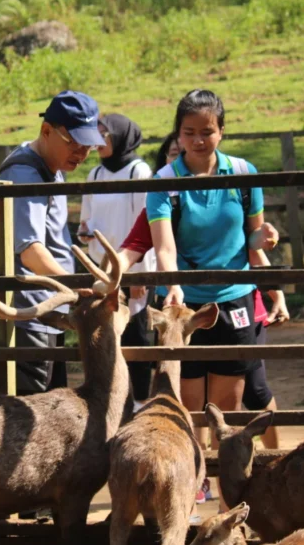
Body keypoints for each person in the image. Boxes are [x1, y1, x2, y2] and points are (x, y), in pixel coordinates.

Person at [147, 90, 277, 464]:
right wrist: (173, 285)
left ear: (221, 130)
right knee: (186, 407)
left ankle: (226, 506)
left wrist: (264, 236)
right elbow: (165, 247)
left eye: (207, 131)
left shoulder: (243, 173)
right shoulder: (163, 181)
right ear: (178, 133)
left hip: (234, 297)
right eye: (189, 132)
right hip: (184, 305)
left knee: (227, 407)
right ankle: (187, 497)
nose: (198, 140)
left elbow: (251, 239)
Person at [2, 90, 104, 396]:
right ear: (47, 131)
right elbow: (29, 250)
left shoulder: (51, 168)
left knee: (50, 403)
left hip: (49, 308)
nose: (82, 153)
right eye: (74, 142)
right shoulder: (25, 174)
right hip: (31, 314)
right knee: (33, 411)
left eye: (88, 145)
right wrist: (72, 286)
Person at [79, 114, 155, 409]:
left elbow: (144, 225)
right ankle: (111, 403)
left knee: (137, 338)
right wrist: (85, 233)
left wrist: (138, 276)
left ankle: (139, 403)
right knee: (106, 336)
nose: (98, 142)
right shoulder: (95, 175)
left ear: (121, 137)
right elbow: (88, 216)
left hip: (132, 270)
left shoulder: (139, 172)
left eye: (104, 135)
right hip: (102, 272)